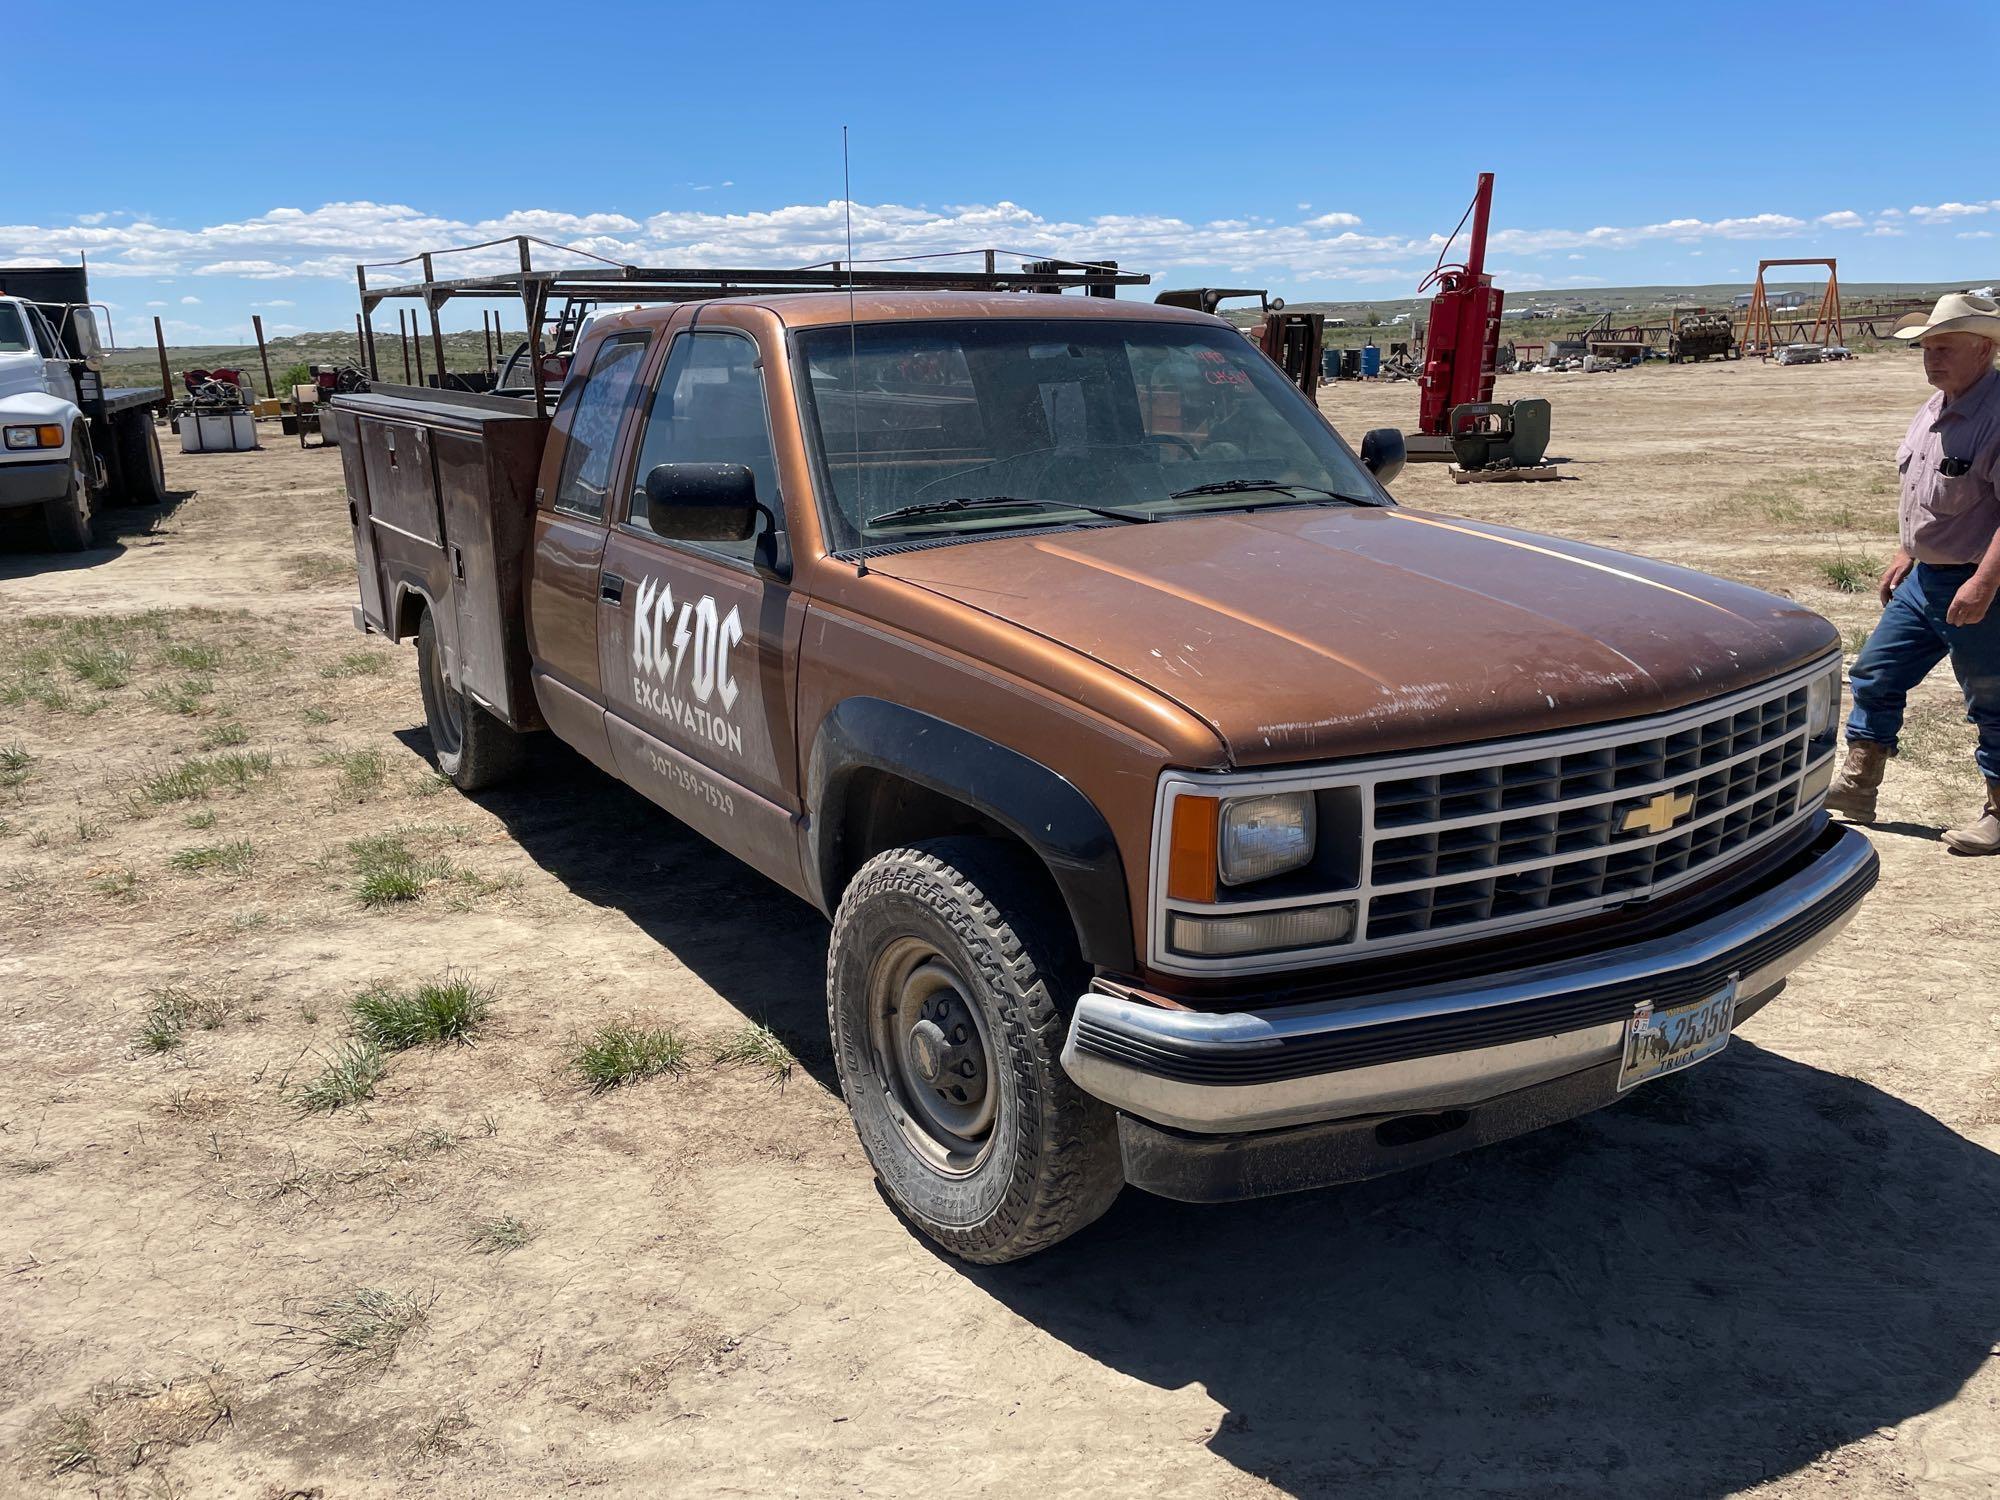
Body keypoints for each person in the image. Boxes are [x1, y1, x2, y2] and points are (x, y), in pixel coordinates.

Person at [1826, 292, 2000, 854]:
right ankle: (1857, 786)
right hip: (1925, 577)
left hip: (1982, 581)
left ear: (1986, 349)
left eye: (1945, 347)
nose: (1932, 357)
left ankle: (1999, 812)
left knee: (1991, 698)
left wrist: (1985, 581)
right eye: (1927, 347)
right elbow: (1924, 493)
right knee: (1876, 673)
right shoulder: (1934, 407)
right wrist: (1906, 551)